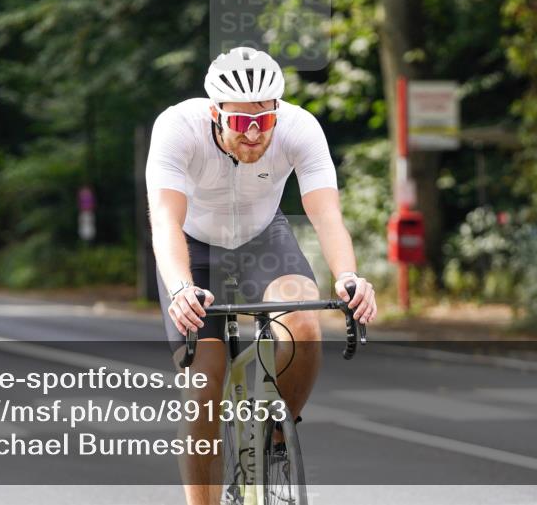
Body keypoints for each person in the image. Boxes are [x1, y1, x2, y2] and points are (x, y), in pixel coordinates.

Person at [146, 47, 377, 505]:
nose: (253, 135)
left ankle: (276, 433)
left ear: (277, 112)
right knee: (203, 386)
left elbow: (326, 212)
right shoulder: (177, 128)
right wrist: (179, 288)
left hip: (262, 238)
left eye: (263, 122)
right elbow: (166, 220)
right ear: (215, 114)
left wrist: (349, 276)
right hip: (194, 248)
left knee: (305, 323)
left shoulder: (300, 127)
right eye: (238, 123)